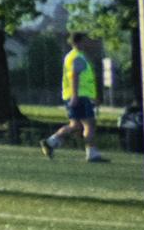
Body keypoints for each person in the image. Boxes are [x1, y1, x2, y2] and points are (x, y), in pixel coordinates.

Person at [44, 30, 110, 165]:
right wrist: (75, 96)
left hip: (78, 96)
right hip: (79, 96)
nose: (88, 42)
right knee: (89, 123)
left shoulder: (74, 56)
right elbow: (74, 76)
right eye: (86, 39)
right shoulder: (77, 57)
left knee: (76, 125)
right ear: (79, 41)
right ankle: (92, 153)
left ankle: (51, 142)